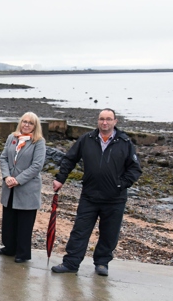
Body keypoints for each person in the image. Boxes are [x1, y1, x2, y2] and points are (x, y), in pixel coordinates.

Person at [51, 109, 142, 276]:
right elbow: (70, 159)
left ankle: (102, 263)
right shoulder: (87, 139)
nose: (104, 122)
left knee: (109, 233)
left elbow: (135, 169)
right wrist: (60, 179)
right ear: (98, 121)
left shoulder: (125, 142)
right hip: (90, 195)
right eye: (101, 119)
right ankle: (71, 263)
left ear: (115, 121)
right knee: (80, 231)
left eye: (108, 119)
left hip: (115, 198)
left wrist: (120, 185)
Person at [0, 112, 46, 263]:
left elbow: (37, 166)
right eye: (24, 121)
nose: (26, 125)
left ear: (35, 126)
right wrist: (6, 176)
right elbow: (4, 158)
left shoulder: (39, 142)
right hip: (9, 186)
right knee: (9, 220)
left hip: (27, 188)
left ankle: (23, 253)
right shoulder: (12, 138)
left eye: (30, 123)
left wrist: (17, 180)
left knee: (24, 223)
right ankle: (9, 247)